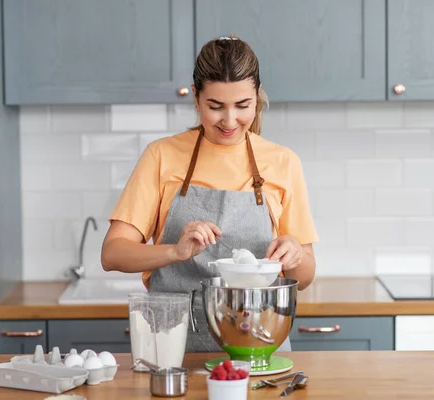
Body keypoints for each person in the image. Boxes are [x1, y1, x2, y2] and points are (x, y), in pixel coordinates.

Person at [101, 35, 318, 352]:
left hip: (259, 345)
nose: (230, 121)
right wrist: (174, 252)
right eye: (215, 107)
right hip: (173, 350)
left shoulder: (283, 162)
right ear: (195, 100)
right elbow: (113, 253)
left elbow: (306, 275)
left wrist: (295, 253)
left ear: (256, 98)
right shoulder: (162, 156)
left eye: (242, 106)